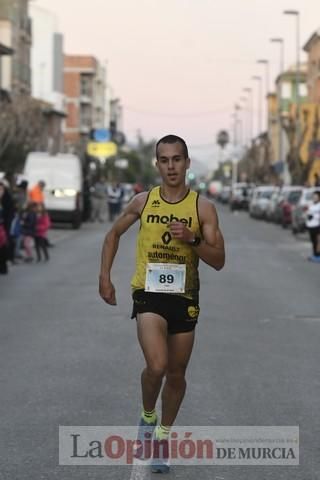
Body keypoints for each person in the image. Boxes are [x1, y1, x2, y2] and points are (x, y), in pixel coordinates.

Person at [99, 134, 225, 473]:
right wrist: (104, 277)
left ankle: (162, 437)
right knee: (157, 365)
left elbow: (218, 260)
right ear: (158, 164)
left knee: (177, 374)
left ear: (187, 163)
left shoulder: (203, 208)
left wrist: (192, 238)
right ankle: (147, 416)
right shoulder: (143, 202)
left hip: (184, 297)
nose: (171, 166)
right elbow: (113, 234)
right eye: (164, 160)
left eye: (177, 159)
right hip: (149, 294)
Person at [306, 190, 320, 262]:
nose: (314, 198)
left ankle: (318, 255)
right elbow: (308, 213)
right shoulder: (311, 205)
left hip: (318, 225)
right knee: (313, 241)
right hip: (311, 225)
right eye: (313, 196)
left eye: (316, 196)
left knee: (318, 241)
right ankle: (314, 254)